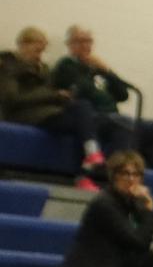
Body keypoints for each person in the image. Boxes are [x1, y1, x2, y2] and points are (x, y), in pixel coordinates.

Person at [48, 24, 153, 168]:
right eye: (80, 41)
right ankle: (112, 174)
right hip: (90, 118)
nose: (85, 45)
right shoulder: (66, 65)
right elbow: (81, 91)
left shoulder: (98, 68)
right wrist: (88, 69)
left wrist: (107, 71)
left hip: (112, 117)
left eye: (88, 41)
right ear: (70, 45)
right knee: (124, 123)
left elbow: (123, 94)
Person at [3, 26, 110, 177]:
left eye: (42, 51)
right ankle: (89, 165)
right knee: (84, 122)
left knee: (84, 110)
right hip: (23, 115)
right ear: (23, 45)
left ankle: (92, 158)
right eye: (37, 51)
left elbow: (48, 94)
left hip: (47, 112)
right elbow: (12, 98)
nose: (39, 56)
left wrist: (61, 97)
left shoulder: (43, 68)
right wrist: (53, 95)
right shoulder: (8, 65)